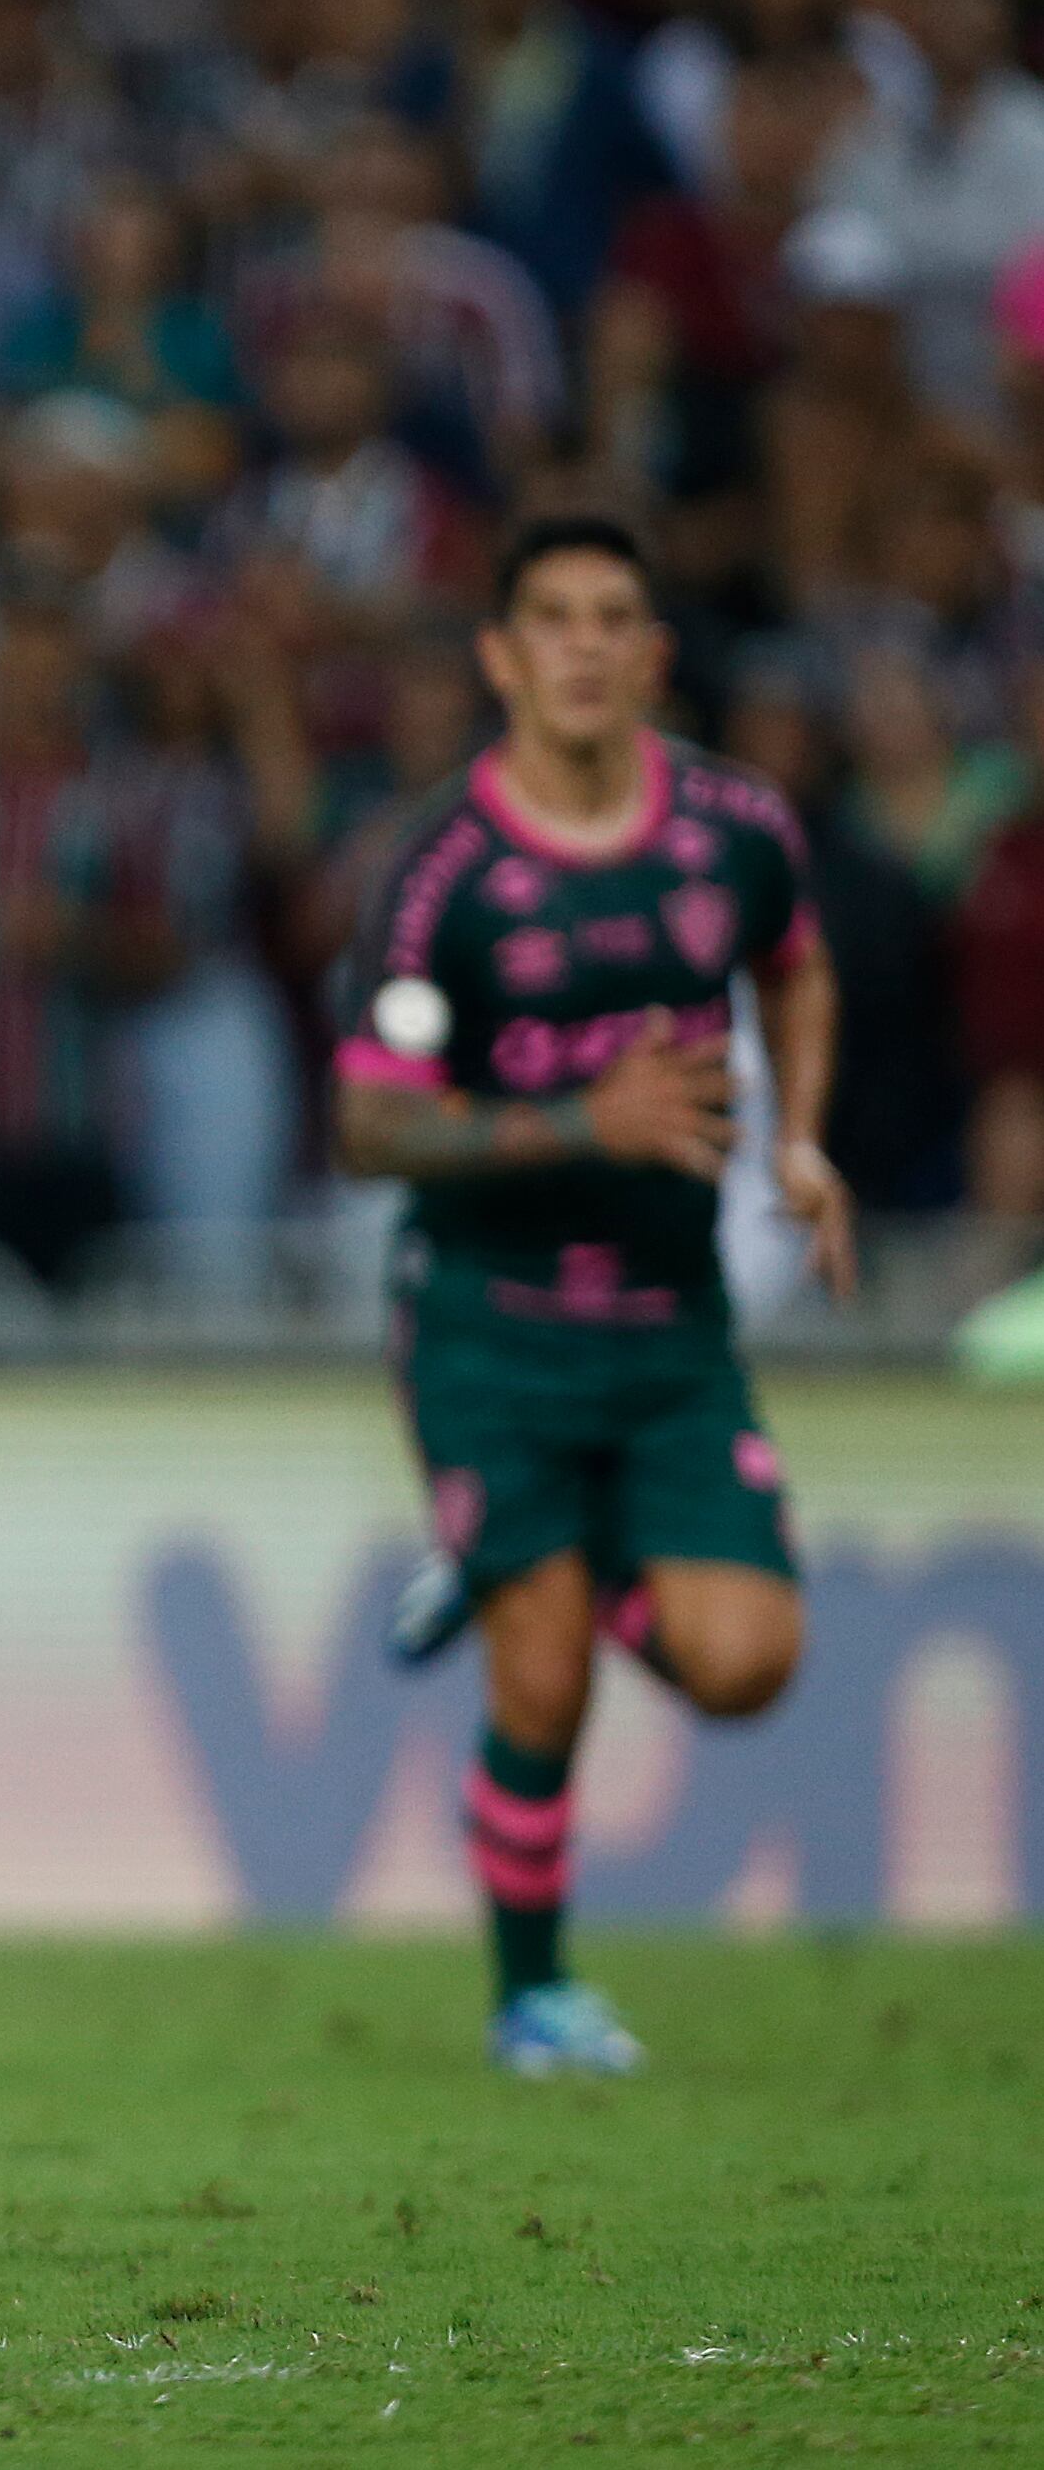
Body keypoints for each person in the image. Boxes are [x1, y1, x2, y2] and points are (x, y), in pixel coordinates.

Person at [335, 517, 847, 2079]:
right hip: (486, 1318)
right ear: (499, 656)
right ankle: (532, 1998)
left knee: (747, 1664)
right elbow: (367, 1124)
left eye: (609, 617)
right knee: (541, 1669)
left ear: (649, 654)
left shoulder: (730, 827)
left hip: (669, 1323)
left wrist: (803, 1134)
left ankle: (518, 1551)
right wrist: (581, 1121)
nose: (578, 643)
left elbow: (796, 964)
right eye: (547, 617)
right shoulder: (443, 871)